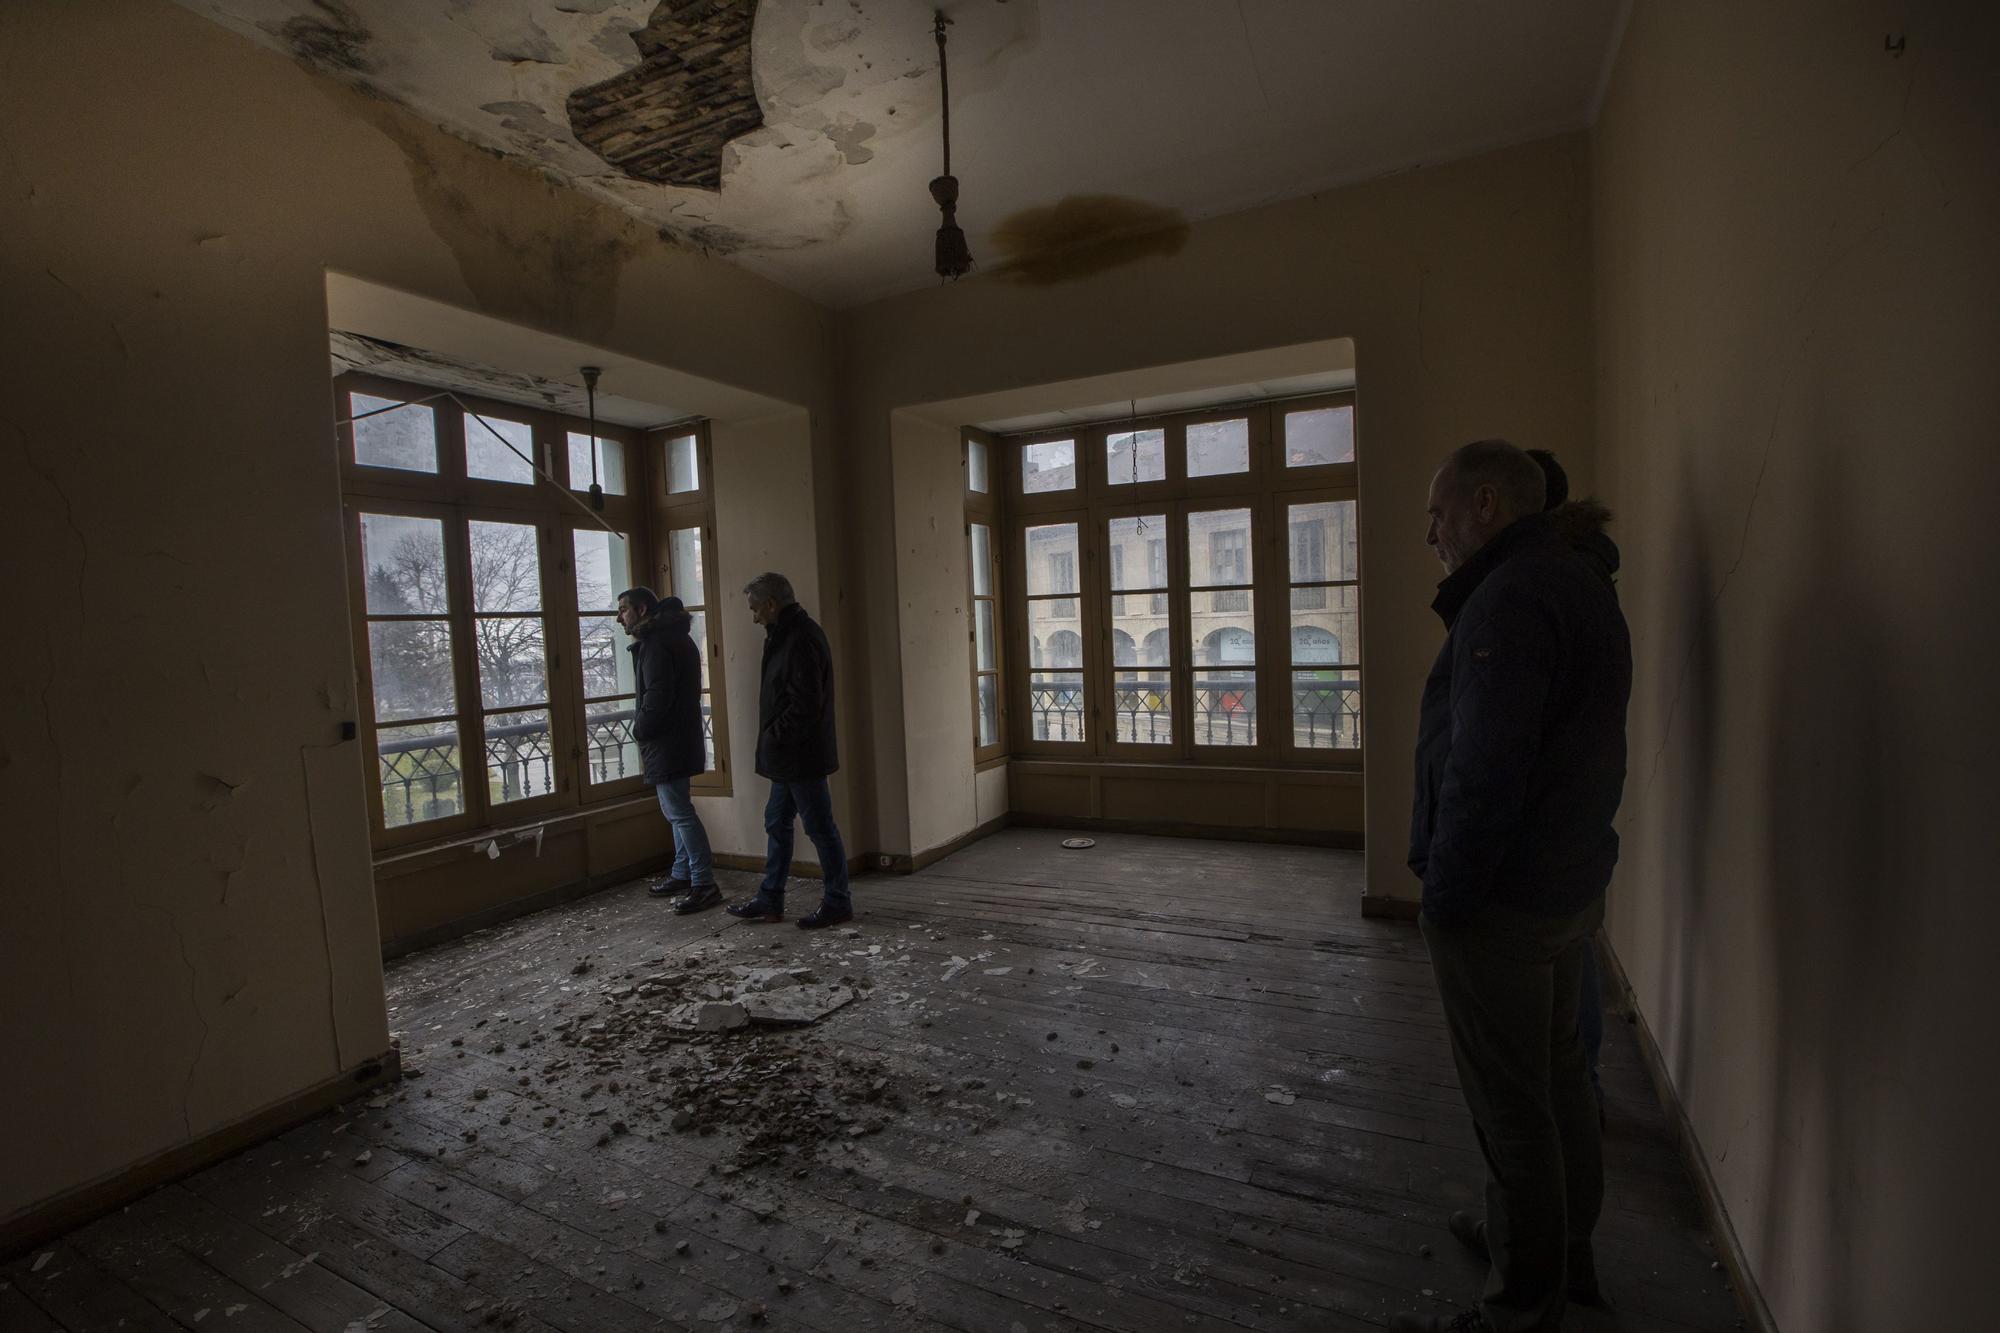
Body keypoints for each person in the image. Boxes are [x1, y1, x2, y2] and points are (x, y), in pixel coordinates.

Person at [1394, 440, 1633, 1333]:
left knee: (1513, 1106)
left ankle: (1520, 1305)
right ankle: (1556, 1251)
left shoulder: (1510, 599)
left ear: (1485, 504)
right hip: (1569, 882)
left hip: (1504, 899)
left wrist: (1447, 897)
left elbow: (1485, 772)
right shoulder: (1580, 581)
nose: (1430, 532)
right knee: (1561, 1078)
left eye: (1437, 512)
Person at [1525, 449, 1614, 1122]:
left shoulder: (1539, 586)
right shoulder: (1586, 578)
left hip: (1547, 820)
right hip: (1580, 807)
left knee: (1556, 960)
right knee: (1574, 951)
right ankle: (1579, 1084)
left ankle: (1574, 1088)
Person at [726, 572, 853, 929]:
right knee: (778, 822)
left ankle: (837, 902)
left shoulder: (797, 639)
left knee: (818, 827)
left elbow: (804, 705)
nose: (753, 617)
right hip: (792, 755)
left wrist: (773, 737)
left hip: (799, 755)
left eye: (755, 609)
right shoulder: (790, 635)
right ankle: (770, 899)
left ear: (771, 604)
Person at [619, 586, 720, 914]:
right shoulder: (676, 638)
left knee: (679, 812)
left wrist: (641, 729)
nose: (620, 617)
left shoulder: (656, 643)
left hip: (667, 741)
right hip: (681, 738)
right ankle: (682, 873)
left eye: (624, 610)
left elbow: (657, 696)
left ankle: (704, 882)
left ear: (643, 610)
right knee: (678, 809)